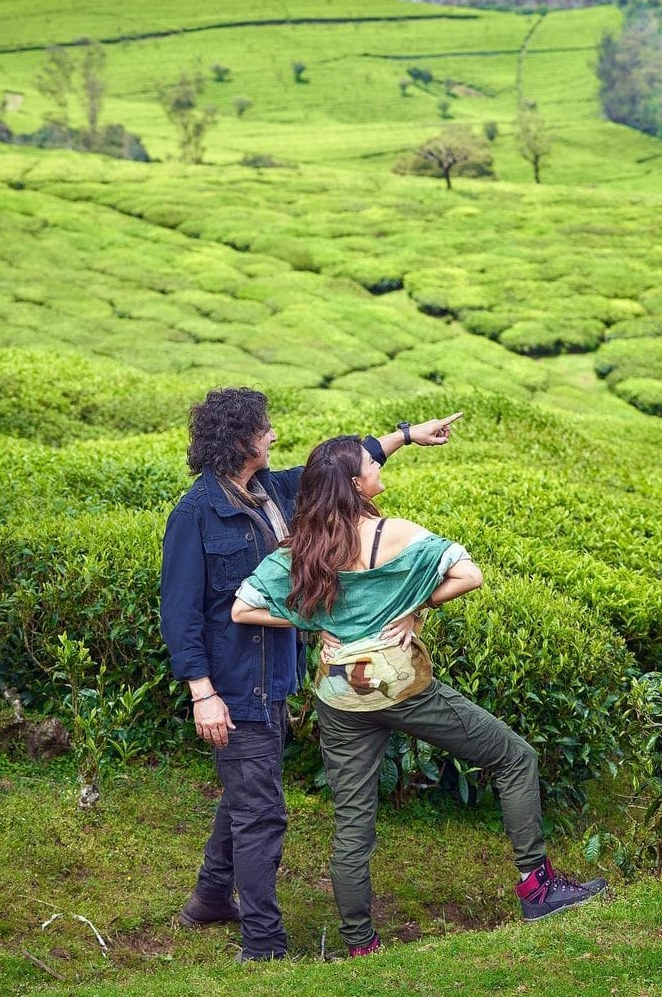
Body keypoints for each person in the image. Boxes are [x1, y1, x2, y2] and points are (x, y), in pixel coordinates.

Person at [231, 435, 608, 958]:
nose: (375, 465)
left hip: (339, 694)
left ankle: (361, 945)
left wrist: (311, 620)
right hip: (400, 685)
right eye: (369, 463)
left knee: (353, 822)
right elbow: (468, 575)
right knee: (515, 757)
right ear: (356, 484)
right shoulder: (394, 533)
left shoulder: (301, 548)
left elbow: (242, 609)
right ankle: (537, 889)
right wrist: (409, 608)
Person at [159, 388, 461, 962]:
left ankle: (209, 899)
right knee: (262, 811)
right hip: (231, 683)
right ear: (241, 439)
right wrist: (203, 694)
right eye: (266, 428)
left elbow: (335, 469)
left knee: (246, 791)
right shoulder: (195, 514)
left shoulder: (271, 490)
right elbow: (180, 613)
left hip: (275, 676)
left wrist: (404, 436)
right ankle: (264, 946)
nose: (274, 435)